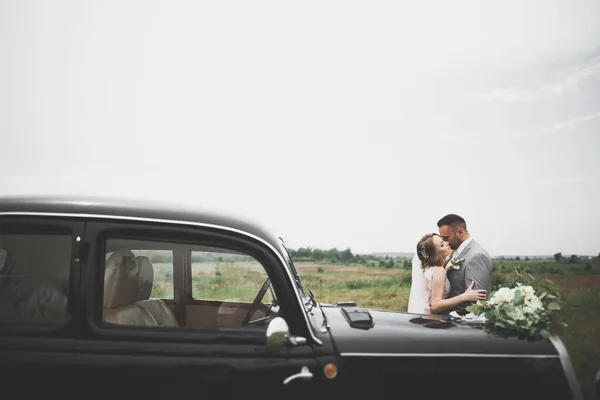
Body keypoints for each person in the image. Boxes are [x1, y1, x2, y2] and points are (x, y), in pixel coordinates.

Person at [408, 233, 486, 314]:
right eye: (442, 245)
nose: (447, 243)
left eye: (443, 241)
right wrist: (465, 297)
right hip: (432, 319)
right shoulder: (438, 271)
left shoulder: (428, 269)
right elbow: (435, 306)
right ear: (435, 254)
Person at [437, 214, 494, 316]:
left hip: (460, 323)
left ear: (460, 232)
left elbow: (475, 302)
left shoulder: (477, 256)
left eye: (446, 237)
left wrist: (445, 314)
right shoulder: (454, 251)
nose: (444, 242)